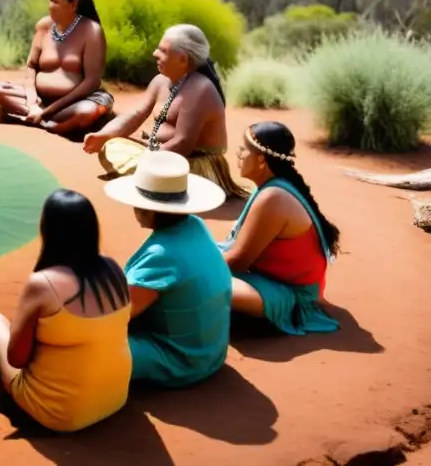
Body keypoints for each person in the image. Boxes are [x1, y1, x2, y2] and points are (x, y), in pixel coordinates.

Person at [0, 189, 132, 432]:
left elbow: (17, 359)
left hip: (61, 414)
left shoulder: (43, 284)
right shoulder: (113, 269)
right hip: (115, 398)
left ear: (48, 230)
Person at [103, 151, 232, 388]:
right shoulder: (195, 225)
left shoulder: (161, 256)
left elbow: (119, 314)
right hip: (211, 351)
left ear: (149, 209)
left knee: (84, 351)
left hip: (183, 360)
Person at [84, 23, 252, 199]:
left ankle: (148, 179)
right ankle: (145, 176)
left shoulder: (200, 89)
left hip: (190, 164)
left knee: (138, 164)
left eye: (163, 51)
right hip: (158, 154)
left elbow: (183, 143)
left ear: (183, 59)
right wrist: (104, 135)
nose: (155, 54)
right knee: (111, 146)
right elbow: (135, 114)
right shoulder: (160, 81)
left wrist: (147, 161)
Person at [219, 122, 341, 335]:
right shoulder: (270, 188)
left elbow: (237, 262)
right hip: (265, 279)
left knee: (203, 282)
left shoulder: (273, 198)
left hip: (291, 296)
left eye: (244, 149)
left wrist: (196, 265)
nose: (238, 154)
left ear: (261, 160)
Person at [0, 0, 112, 136]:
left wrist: (47, 111)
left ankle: (46, 122)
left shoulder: (92, 31)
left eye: (55, 2)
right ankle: (45, 119)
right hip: (40, 99)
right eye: (49, 1)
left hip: (75, 101)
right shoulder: (44, 26)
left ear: (73, 4)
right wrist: (32, 102)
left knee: (87, 111)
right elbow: (31, 66)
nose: (49, 7)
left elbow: (92, 82)